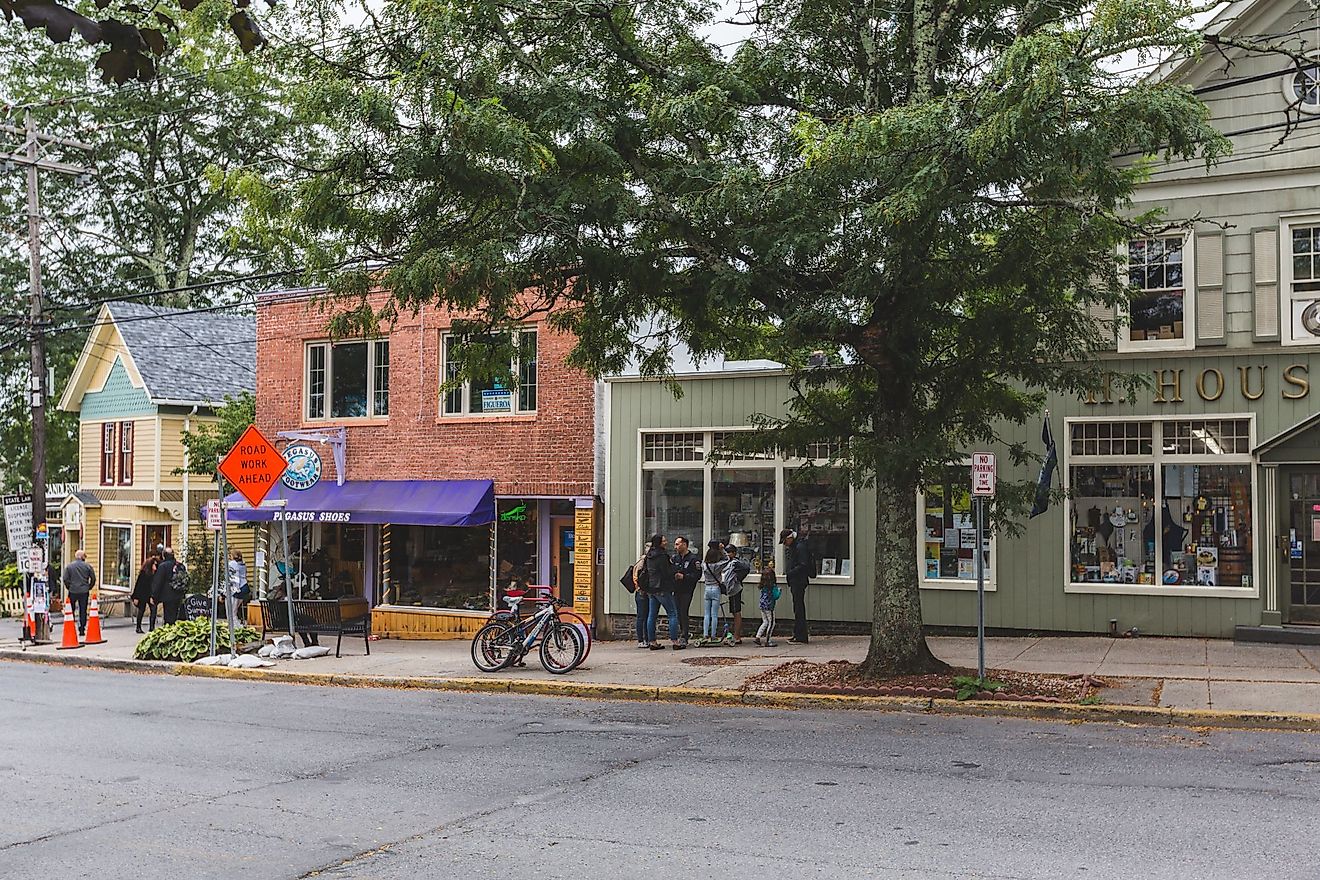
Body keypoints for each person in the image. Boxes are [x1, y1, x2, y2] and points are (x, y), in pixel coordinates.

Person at [643, 534, 682, 650]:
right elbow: (666, 572)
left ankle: (652, 641)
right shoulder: (662, 556)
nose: (666, 542)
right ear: (659, 543)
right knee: (672, 613)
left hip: (651, 588)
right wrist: (675, 568)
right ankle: (675, 641)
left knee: (652, 615)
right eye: (664, 541)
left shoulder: (649, 556)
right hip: (663, 588)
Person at [781, 529, 813, 643]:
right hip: (796, 581)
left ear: (789, 538)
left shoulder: (800, 547)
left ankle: (801, 636)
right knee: (797, 608)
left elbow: (803, 565)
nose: (785, 544)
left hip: (799, 581)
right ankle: (798, 633)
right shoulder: (796, 546)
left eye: (785, 541)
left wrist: (791, 573)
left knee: (799, 608)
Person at [670, 535, 700, 647]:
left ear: (684, 544)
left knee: (683, 611)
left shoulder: (693, 559)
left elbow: (697, 575)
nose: (675, 547)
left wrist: (684, 577)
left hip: (687, 589)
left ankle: (684, 635)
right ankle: (680, 632)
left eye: (677, 544)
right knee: (677, 612)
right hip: (676, 589)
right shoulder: (675, 558)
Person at [61, 549, 96, 636]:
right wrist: (88, 587)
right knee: (83, 610)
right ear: (82, 557)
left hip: (73, 590)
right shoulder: (87, 566)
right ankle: (82, 628)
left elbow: (65, 579)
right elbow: (93, 578)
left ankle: (70, 626)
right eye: (85, 556)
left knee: (71, 609)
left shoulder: (69, 567)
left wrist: (69, 587)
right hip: (84, 591)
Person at [723, 543, 752, 644]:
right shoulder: (728, 562)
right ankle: (736, 634)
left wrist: (738, 578)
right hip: (731, 590)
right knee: (734, 611)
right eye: (726, 552)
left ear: (734, 553)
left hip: (735, 589)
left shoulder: (735, 563)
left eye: (730, 552)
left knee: (736, 612)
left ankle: (737, 635)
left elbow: (746, 568)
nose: (727, 554)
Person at [700, 541, 726, 641]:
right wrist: (722, 549)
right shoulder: (717, 565)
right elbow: (727, 559)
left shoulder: (704, 565)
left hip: (707, 588)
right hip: (716, 588)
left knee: (706, 613)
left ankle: (705, 633)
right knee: (714, 614)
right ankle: (713, 635)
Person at [151, 547, 183, 625]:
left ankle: (169, 632)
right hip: (178, 595)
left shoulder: (163, 566)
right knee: (175, 616)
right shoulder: (180, 566)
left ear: (164, 555)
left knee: (168, 618)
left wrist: (154, 596)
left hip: (167, 596)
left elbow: (158, 582)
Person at [132, 552, 160, 633]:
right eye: (154, 565)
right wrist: (136, 597)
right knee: (141, 610)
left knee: (153, 609)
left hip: (151, 594)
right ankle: (138, 627)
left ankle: (152, 627)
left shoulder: (156, 574)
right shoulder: (144, 574)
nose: (155, 567)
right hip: (142, 594)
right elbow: (138, 585)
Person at [755, 561, 779, 647]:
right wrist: (779, 591)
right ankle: (768, 640)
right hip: (769, 606)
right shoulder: (772, 586)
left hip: (762, 605)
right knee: (771, 623)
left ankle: (758, 637)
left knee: (765, 622)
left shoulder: (762, 586)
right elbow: (776, 596)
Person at [631, 543, 650, 648]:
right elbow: (636, 577)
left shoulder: (642, 562)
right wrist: (639, 588)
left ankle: (645, 639)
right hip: (642, 592)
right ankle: (641, 639)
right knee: (642, 616)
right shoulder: (642, 563)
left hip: (642, 592)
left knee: (644, 616)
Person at [228, 550, 251, 618]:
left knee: (233, 611)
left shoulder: (233, 564)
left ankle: (235, 624)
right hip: (245, 586)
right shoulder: (243, 564)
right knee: (235, 609)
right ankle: (236, 622)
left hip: (239, 587)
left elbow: (235, 577)